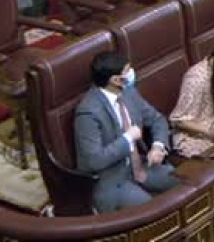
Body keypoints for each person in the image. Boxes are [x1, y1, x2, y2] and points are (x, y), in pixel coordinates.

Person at [74, 52, 178, 213]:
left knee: (185, 182)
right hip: (112, 178)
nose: (132, 73)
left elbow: (157, 120)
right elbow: (93, 160)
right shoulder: (88, 112)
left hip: (142, 165)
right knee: (151, 211)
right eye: (128, 70)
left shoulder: (129, 93)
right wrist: (128, 138)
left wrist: (158, 146)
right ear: (116, 80)